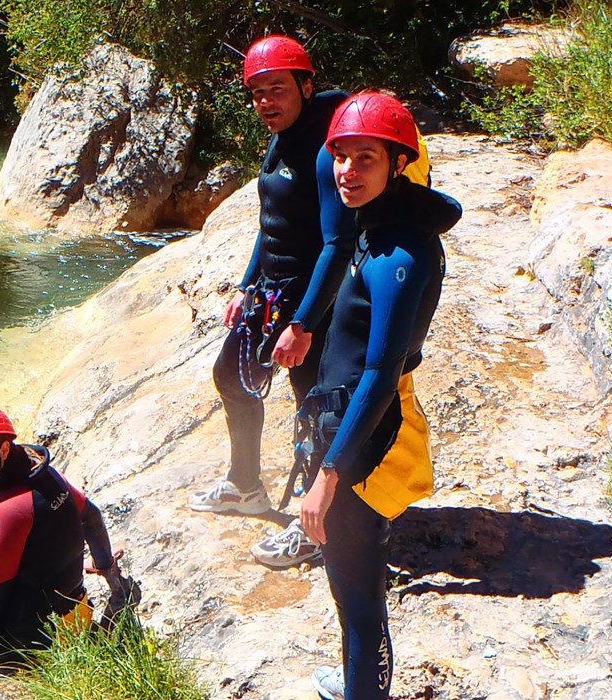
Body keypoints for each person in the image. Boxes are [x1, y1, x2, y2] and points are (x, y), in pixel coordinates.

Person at [301, 92, 458, 700]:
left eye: (366, 158)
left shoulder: (402, 253)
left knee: (358, 583)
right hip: (348, 423)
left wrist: (329, 475)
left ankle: (365, 690)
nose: (347, 171)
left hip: (366, 439)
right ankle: (356, 683)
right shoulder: (381, 229)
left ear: (398, 165)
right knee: (348, 580)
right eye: (341, 156)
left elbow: (381, 372)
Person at [188, 34, 351, 568]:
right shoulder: (281, 137)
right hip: (271, 292)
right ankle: (245, 485)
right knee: (230, 376)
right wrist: (245, 285)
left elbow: (336, 243)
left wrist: (304, 323)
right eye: (257, 93)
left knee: (314, 411)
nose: (266, 102)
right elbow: (271, 225)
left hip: (312, 299)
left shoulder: (325, 152)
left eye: (277, 89)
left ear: (306, 85)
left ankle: (318, 526)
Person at [0, 402, 133, 672]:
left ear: (4, 450)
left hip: (36, 641)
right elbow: (91, 516)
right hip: (77, 616)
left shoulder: (6, 512)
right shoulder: (47, 475)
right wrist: (106, 566)